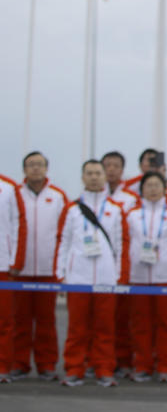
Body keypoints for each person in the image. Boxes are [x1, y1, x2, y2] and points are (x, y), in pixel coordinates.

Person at [54, 159, 127, 387]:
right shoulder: (72, 210)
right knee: (77, 329)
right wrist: (61, 274)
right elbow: (63, 242)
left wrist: (119, 276)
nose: (94, 177)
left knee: (105, 329)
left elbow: (121, 245)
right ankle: (74, 369)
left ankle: (104, 369)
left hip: (106, 279)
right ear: (83, 177)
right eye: (89, 173)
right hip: (78, 278)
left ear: (105, 177)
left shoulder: (115, 210)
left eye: (98, 173)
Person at [123, 171, 167, 384]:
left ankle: (166, 366)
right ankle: (142, 365)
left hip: (164, 277)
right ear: (141, 189)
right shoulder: (131, 214)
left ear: (164, 189)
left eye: (156, 185)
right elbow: (125, 244)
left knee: (166, 324)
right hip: (138, 277)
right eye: (148, 185)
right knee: (140, 324)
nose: (152, 189)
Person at [12, 152, 68, 381]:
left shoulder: (58, 197)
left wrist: (60, 268)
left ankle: (46, 365)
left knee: (46, 321)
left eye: (40, 165)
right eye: (30, 165)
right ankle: (19, 363)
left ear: (47, 168)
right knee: (19, 321)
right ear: (24, 169)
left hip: (47, 270)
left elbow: (64, 234)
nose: (35, 169)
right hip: (19, 270)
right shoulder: (14, 195)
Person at [101, 150, 137, 378]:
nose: (110, 170)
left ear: (122, 170)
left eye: (115, 165)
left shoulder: (131, 198)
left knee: (123, 318)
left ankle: (123, 360)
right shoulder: (94, 195)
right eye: (107, 165)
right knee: (102, 320)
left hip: (125, 263)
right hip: (100, 263)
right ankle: (98, 360)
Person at [0, 172, 26, 384]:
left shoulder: (8, 187)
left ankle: (2, 366)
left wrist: (16, 261)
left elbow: (19, 225)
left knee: (4, 321)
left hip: (2, 265)